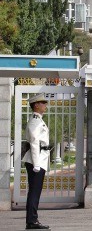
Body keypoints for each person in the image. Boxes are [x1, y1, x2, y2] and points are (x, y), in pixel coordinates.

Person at [23, 93, 51, 229]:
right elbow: (34, 142)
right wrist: (36, 163)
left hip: (39, 158)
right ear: (36, 105)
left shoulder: (39, 120)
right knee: (34, 191)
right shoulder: (35, 121)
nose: (45, 105)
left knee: (35, 191)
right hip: (36, 159)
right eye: (42, 103)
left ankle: (32, 220)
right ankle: (32, 221)